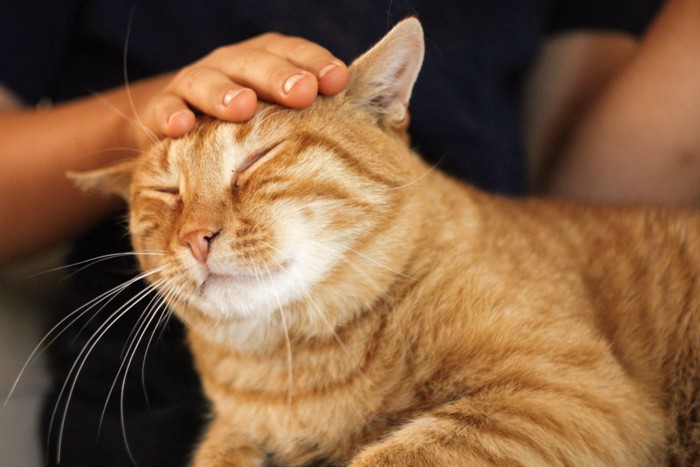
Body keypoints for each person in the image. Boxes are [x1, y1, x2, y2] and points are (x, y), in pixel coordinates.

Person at [0, 0, 685, 465]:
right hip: (154, 387)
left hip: (476, 235)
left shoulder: (455, 290)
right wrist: (135, 122)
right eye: (167, 195)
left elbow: (609, 420)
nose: (199, 229)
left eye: (257, 164)